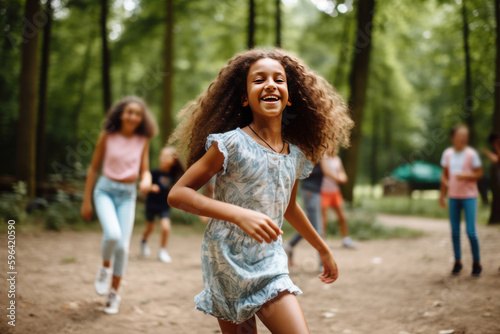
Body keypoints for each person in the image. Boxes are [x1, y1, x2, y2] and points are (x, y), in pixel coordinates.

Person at [167, 49, 353, 333]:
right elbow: (178, 194)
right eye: (259, 79)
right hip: (225, 260)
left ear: (289, 97)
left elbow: (289, 207)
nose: (270, 84)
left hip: (270, 261)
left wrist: (322, 247)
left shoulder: (296, 157)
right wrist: (239, 215)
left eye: (279, 79)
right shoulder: (229, 144)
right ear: (245, 97)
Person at [80, 96, 157, 314]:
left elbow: (145, 170)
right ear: (121, 114)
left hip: (127, 195)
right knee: (113, 235)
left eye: (138, 113)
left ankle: (113, 294)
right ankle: (105, 267)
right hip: (105, 190)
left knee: (123, 247)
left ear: (142, 118)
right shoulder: (108, 135)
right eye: (129, 112)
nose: (133, 116)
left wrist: (146, 180)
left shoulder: (143, 139)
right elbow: (93, 169)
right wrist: (86, 201)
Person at [439, 125, 483, 277]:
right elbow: (444, 175)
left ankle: (477, 262)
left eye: (465, 135)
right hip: (453, 197)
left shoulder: (471, 154)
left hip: (469, 196)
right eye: (460, 135)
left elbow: (479, 173)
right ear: (453, 138)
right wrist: (442, 194)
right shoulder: (448, 154)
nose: (463, 138)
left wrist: (465, 176)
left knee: (471, 232)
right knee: (455, 232)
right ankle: (457, 261)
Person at [140, 146, 185, 263]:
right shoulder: (153, 173)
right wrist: (150, 187)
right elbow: (143, 189)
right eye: (162, 155)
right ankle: (144, 241)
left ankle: (162, 250)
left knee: (165, 227)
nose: (163, 158)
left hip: (164, 206)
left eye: (167, 156)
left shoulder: (174, 177)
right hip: (151, 204)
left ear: (173, 160)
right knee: (150, 228)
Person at [284, 163, 323, 270]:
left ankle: (289, 245)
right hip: (311, 191)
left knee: (309, 225)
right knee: (317, 228)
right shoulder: (315, 153)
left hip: (314, 192)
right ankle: (322, 263)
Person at [320, 154, 355, 248]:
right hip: (324, 191)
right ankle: (321, 241)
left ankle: (346, 240)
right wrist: (338, 178)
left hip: (335, 191)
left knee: (342, 217)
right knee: (324, 219)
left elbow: (343, 173)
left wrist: (343, 177)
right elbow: (326, 171)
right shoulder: (323, 157)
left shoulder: (337, 158)